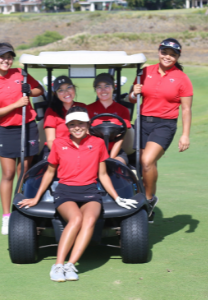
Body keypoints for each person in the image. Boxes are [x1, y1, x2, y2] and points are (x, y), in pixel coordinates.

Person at [18, 107, 138, 282]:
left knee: (89, 220)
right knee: (76, 219)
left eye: (80, 123)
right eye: (72, 124)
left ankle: (70, 264)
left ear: (87, 124)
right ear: (67, 126)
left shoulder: (97, 143)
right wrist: (36, 198)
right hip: (65, 191)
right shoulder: (59, 144)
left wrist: (117, 198)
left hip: (90, 191)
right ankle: (58, 265)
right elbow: (50, 173)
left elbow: (103, 175)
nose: (77, 127)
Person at [0, 42, 44, 235]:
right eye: (1, 57)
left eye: (9, 57)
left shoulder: (20, 74)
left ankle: (21, 211)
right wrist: (17, 103)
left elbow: (39, 90)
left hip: (28, 126)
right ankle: (7, 216)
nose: (6, 60)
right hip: (7, 131)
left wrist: (29, 90)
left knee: (24, 172)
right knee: (8, 173)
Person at [130, 38, 193, 203]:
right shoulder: (145, 72)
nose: (167, 57)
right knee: (140, 164)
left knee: (147, 161)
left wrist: (185, 135)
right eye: (164, 52)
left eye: (172, 55)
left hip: (164, 125)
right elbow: (131, 99)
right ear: (159, 52)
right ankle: (140, 194)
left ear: (177, 57)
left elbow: (186, 109)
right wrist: (133, 93)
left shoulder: (182, 79)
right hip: (143, 122)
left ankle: (149, 200)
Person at [87, 73, 131, 165]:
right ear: (95, 90)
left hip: (115, 151)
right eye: (99, 87)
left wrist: (110, 158)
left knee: (117, 165)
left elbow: (121, 137)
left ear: (113, 88)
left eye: (107, 86)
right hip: (93, 150)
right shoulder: (88, 109)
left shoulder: (123, 110)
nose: (103, 90)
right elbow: (87, 134)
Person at [43, 76, 86, 158]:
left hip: (80, 149)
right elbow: (50, 140)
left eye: (68, 87)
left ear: (74, 88)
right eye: (60, 90)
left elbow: (88, 134)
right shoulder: (52, 111)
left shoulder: (82, 107)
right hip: (58, 150)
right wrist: (64, 155)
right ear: (55, 94)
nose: (66, 92)